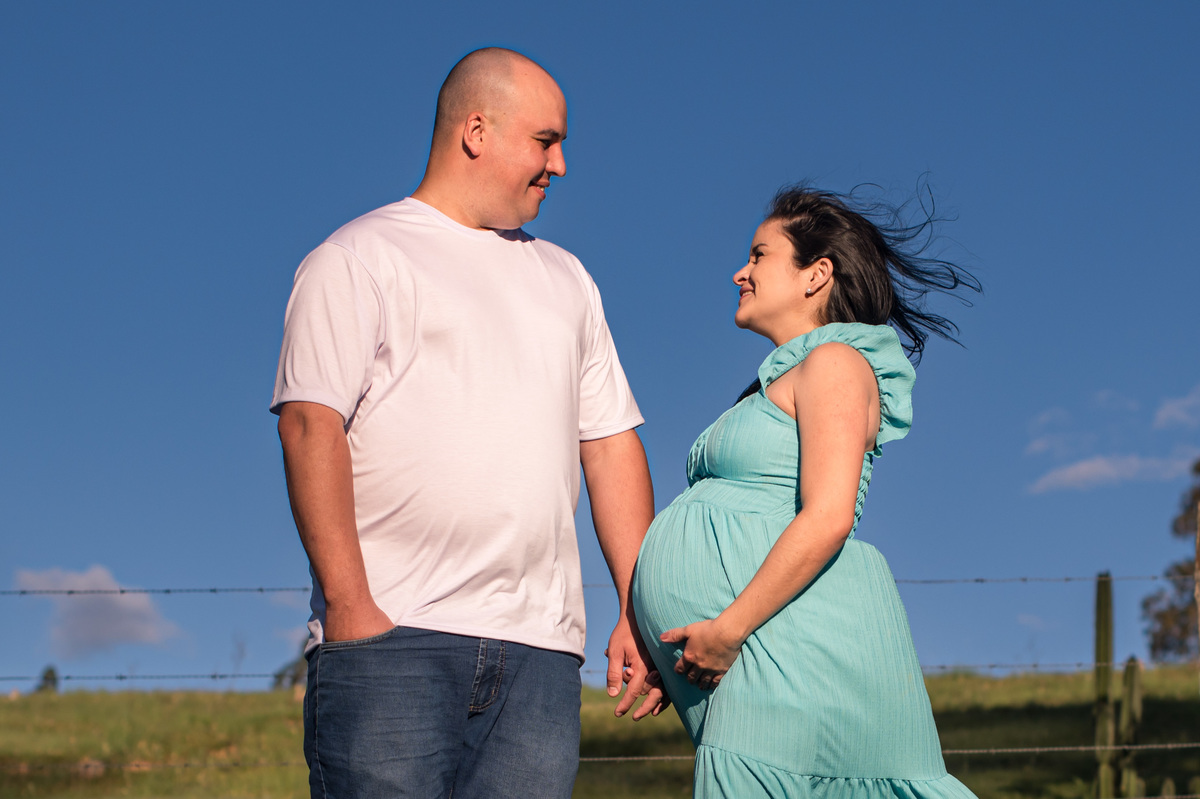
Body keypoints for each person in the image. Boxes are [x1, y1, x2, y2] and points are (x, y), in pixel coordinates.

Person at [270, 47, 665, 799]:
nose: (561, 165)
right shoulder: (358, 257)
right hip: (393, 642)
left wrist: (638, 609)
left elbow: (611, 444)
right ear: (477, 131)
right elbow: (308, 425)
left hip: (543, 657)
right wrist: (352, 606)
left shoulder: (569, 280)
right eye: (546, 141)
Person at [632, 186, 982, 797]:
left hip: (793, 650)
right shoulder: (793, 375)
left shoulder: (838, 363)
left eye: (759, 255)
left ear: (816, 274)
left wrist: (727, 630)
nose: (740, 272)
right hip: (761, 650)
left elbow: (828, 516)